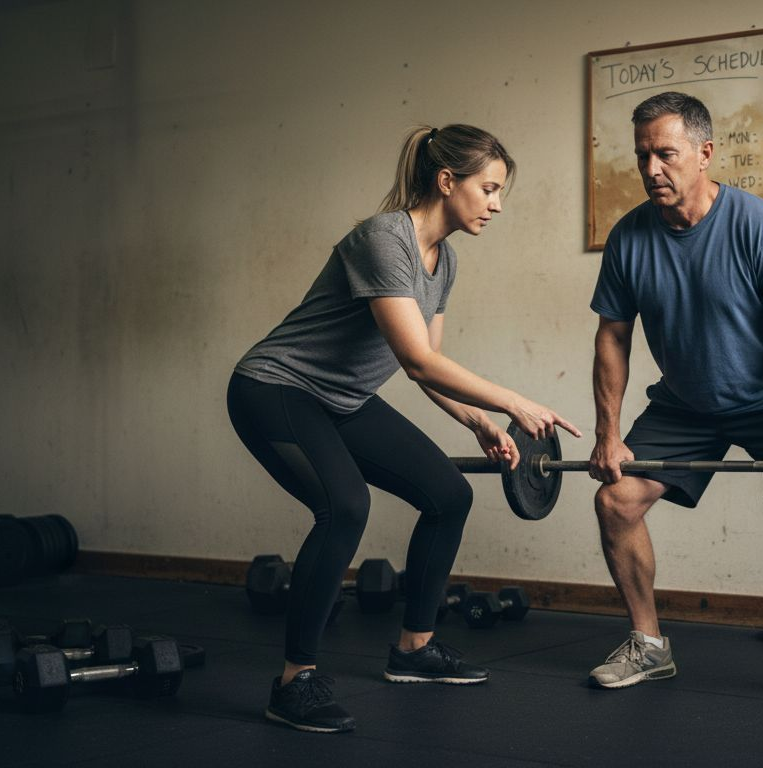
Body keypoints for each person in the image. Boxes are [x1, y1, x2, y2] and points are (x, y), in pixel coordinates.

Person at [227, 124, 580, 733]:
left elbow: (426, 369)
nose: (497, 204)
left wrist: (479, 421)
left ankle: (414, 650)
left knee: (449, 495)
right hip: (275, 390)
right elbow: (418, 359)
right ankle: (294, 682)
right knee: (344, 508)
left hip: (342, 398)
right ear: (448, 181)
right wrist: (517, 403)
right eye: (489, 188)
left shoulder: (444, 262)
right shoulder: (382, 238)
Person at [586, 92, 763, 709]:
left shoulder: (756, 223)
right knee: (615, 500)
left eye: (666, 154)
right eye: (643, 156)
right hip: (683, 404)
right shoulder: (629, 237)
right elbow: (612, 338)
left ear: (704, 154)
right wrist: (609, 433)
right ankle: (649, 645)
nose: (652, 169)